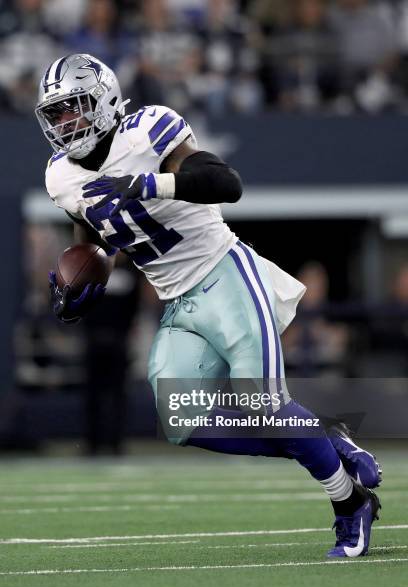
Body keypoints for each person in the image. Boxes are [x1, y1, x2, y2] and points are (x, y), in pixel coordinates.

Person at [35, 53, 381, 558]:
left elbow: (226, 184)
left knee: (264, 405)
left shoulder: (148, 130)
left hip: (225, 275)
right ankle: (326, 437)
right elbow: (97, 233)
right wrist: (85, 279)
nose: (66, 122)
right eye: (57, 114)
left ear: (105, 100)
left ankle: (350, 506)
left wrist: (152, 182)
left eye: (75, 108)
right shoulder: (60, 177)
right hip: (177, 301)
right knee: (182, 421)